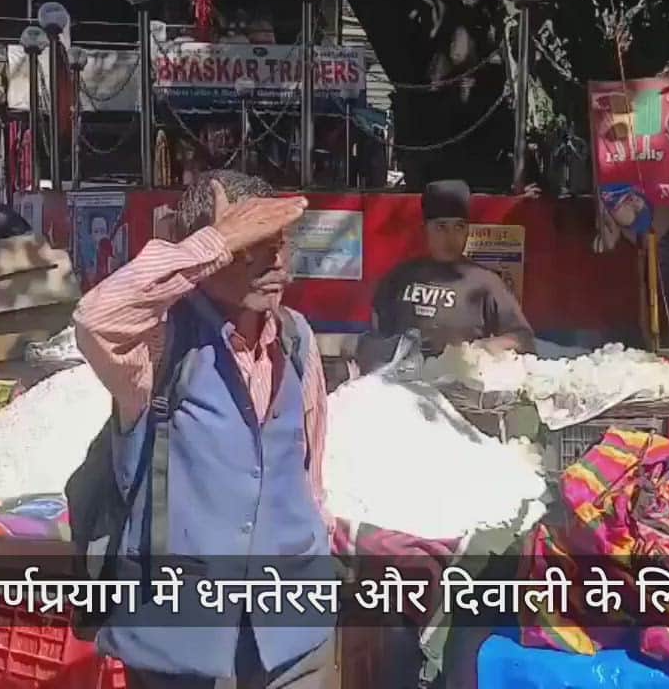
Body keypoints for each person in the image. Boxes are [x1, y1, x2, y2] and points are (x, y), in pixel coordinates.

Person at [72, 171, 337, 688]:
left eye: (279, 243)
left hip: (293, 631)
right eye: (250, 246)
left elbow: (310, 465)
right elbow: (94, 319)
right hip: (180, 637)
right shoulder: (158, 343)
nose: (276, 261)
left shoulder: (297, 339)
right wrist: (212, 243)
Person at [367, 179, 534, 367]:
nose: (451, 237)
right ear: (424, 230)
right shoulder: (399, 279)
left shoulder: (486, 283)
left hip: (461, 384)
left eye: (459, 227)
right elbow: (374, 340)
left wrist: (473, 349)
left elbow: (523, 340)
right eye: (441, 227)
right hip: (402, 383)